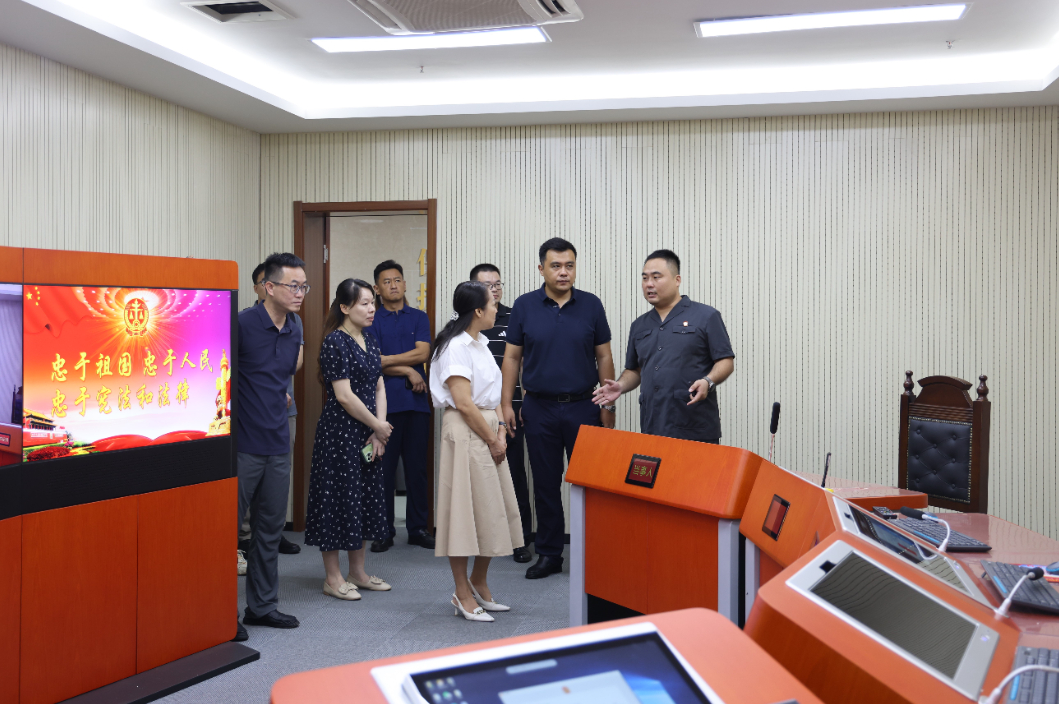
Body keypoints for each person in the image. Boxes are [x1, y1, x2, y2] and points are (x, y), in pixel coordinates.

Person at [501, 238, 615, 580]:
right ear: (542, 269)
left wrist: (608, 404)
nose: (563, 272)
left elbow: (604, 355)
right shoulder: (524, 305)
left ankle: (596, 553)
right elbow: (512, 357)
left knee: (591, 485)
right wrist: (507, 403)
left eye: (569, 266)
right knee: (545, 484)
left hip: (584, 407)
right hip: (539, 408)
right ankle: (550, 554)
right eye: (556, 266)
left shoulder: (591, 305)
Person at [431, 281, 524, 621]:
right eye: (493, 304)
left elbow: (493, 395)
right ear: (478, 311)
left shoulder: (481, 343)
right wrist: (492, 438)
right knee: (463, 513)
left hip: (487, 428)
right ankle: (461, 592)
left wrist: (500, 430)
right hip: (466, 429)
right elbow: (465, 403)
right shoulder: (454, 346)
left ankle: (479, 583)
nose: (498, 308)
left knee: (491, 509)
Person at [305, 278, 394, 602]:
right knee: (335, 501)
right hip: (339, 434)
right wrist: (377, 426)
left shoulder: (369, 338)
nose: (372, 309)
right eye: (364, 303)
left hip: (368, 431)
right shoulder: (334, 342)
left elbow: (379, 386)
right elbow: (343, 396)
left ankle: (359, 573)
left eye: (373, 303)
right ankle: (333, 578)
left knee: (364, 499)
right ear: (344, 307)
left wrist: (378, 428)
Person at [593, 250, 735, 443]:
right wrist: (620, 385)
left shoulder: (706, 316)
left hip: (695, 426)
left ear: (677, 280)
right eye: (645, 278)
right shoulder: (639, 325)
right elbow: (635, 370)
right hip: (653, 425)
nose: (649, 284)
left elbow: (725, 361)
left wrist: (708, 381)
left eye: (656, 277)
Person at [235, 252, 307, 634]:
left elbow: (280, 378)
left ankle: (261, 607)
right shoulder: (242, 323)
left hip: (278, 441)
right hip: (244, 444)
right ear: (269, 287)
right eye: (293, 286)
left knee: (269, 530)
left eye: (304, 287)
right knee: (227, 533)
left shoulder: (294, 327)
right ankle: (219, 613)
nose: (299, 293)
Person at [366, 260, 435, 552]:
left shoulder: (419, 317)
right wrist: (408, 369)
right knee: (383, 469)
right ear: (377, 288)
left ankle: (418, 529)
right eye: (386, 281)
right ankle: (383, 530)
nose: (393, 285)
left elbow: (423, 352)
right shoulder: (371, 319)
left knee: (417, 469)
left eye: (397, 280)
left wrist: (388, 361)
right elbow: (372, 361)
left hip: (416, 404)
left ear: (405, 284)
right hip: (383, 407)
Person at [470, 263, 532, 564]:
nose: (494, 290)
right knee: (479, 476)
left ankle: (521, 539)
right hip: (474, 412)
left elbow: (524, 363)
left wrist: (521, 404)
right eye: (487, 285)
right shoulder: (463, 322)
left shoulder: (514, 317)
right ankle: (481, 539)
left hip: (510, 409)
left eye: (497, 284)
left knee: (514, 473)